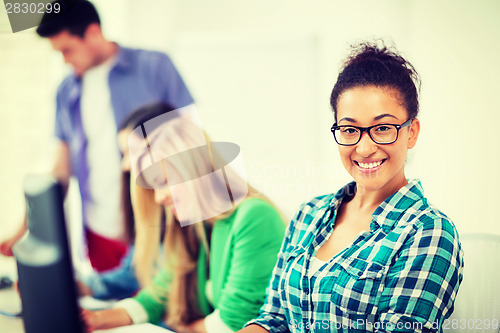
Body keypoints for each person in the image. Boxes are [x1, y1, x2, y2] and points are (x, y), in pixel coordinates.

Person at [240, 41, 464, 333]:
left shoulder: (428, 232)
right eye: (350, 129)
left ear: (411, 132)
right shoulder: (308, 214)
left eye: (383, 127)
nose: (365, 147)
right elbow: (274, 319)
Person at [0, 0, 194, 273]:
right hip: (99, 232)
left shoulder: (155, 67)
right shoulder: (66, 91)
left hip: (159, 226)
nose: (65, 60)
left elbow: (192, 143)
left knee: (157, 308)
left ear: (92, 32)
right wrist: (25, 228)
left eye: (67, 50)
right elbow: (60, 171)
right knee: (105, 305)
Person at [82, 106, 286, 333]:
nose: (159, 198)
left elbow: (232, 322)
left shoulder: (254, 217)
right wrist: (96, 319)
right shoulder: (196, 226)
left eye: (163, 181)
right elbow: (158, 294)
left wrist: (183, 328)